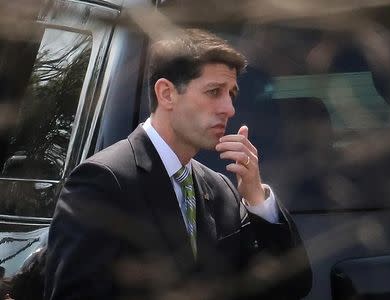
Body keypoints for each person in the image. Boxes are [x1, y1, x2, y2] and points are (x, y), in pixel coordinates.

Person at [44, 29, 311, 300]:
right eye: (214, 91)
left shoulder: (220, 190)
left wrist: (256, 199)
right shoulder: (103, 181)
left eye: (231, 93)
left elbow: (290, 288)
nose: (229, 108)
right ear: (167, 93)